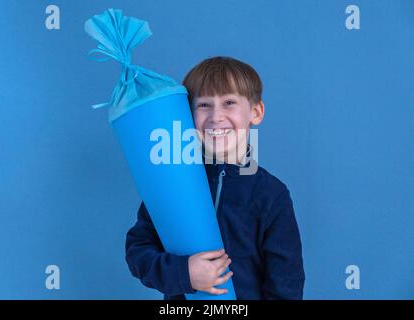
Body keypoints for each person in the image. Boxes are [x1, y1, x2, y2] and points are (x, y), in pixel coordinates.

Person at [125, 56, 305, 299]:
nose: (216, 116)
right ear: (187, 115)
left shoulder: (271, 194)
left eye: (229, 102)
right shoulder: (171, 181)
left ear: (256, 112)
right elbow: (138, 251)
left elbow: (286, 284)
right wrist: (184, 274)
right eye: (204, 105)